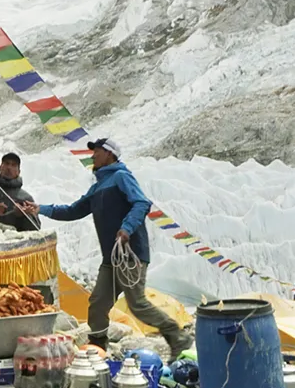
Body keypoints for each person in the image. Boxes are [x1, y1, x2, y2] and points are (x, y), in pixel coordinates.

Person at [19, 138, 192, 359]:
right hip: (111, 258)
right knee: (98, 303)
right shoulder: (98, 186)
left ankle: (177, 336)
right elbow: (73, 210)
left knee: (137, 303)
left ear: (110, 154)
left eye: (97, 152)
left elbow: (141, 203)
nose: (92, 156)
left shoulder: (121, 177)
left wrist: (127, 228)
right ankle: (98, 347)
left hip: (130, 254)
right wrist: (40, 209)